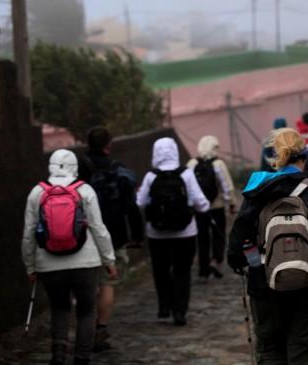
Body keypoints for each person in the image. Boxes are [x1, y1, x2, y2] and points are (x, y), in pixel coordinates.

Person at [227, 128, 308, 365]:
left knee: (270, 350)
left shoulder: (257, 193)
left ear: (275, 159)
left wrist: (242, 261)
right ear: (303, 158)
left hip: (265, 287)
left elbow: (235, 246)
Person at [22, 149, 117, 365]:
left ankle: (58, 354)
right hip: (86, 261)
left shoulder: (36, 193)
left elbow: (28, 234)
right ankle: (81, 358)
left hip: (48, 263)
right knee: (86, 310)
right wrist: (109, 260)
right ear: (75, 167)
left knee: (59, 307)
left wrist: (30, 266)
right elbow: (98, 228)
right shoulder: (85, 191)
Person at [78, 127, 144, 352]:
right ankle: (100, 329)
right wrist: (137, 235)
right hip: (114, 235)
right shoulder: (118, 170)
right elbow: (131, 206)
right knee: (107, 284)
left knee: (86, 284)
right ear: (109, 145)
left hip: (82, 236)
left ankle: (82, 329)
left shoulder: (79, 167)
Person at [136, 137, 210, 326]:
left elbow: (141, 202)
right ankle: (180, 311)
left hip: (156, 234)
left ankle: (164, 307)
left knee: (161, 271)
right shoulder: (186, 174)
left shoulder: (150, 176)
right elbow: (201, 204)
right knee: (182, 272)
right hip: (185, 233)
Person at [187, 135, 237, 282]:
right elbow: (227, 187)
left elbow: (188, 186)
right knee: (218, 235)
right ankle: (216, 260)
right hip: (217, 206)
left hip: (199, 209)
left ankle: (203, 268)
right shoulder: (219, 164)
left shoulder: (191, 163)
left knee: (202, 237)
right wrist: (231, 203)